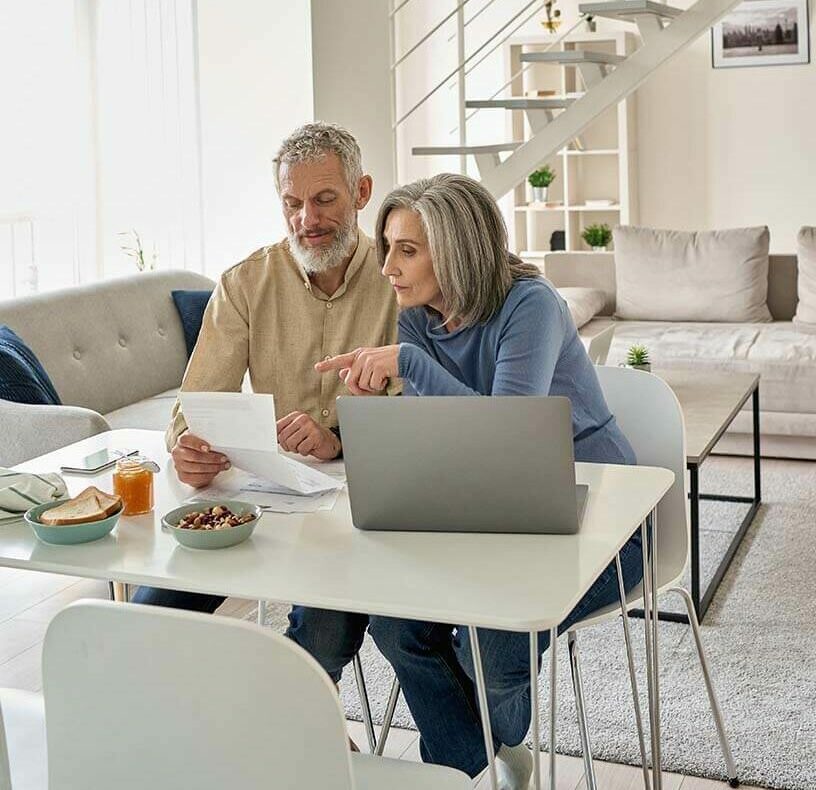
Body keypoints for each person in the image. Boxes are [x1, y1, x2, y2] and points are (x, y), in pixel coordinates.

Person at [316, 173, 642, 788]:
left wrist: (410, 367)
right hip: (489, 510)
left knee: (489, 644)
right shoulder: (418, 317)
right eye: (387, 245)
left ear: (458, 248)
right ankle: (468, 770)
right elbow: (449, 441)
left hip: (606, 518)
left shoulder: (531, 306)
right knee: (395, 623)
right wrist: (368, 424)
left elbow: (503, 436)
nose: (387, 266)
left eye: (406, 249)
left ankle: (497, 737)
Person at [133, 122, 398, 693]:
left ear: (361, 192)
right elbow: (194, 406)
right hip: (265, 501)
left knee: (321, 637)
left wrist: (338, 441)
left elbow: (425, 417)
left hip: (364, 509)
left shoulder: (400, 280)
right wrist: (190, 448)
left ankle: (284, 726)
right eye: (293, 203)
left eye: (325, 199)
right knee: (146, 618)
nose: (308, 219)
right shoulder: (245, 283)